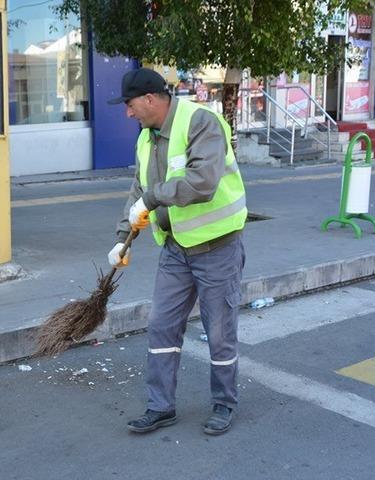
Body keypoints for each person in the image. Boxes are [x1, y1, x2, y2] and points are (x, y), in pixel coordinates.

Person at [106, 68, 247, 436]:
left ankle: (224, 403)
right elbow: (138, 190)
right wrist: (122, 238)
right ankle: (160, 406)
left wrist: (151, 199)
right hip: (175, 249)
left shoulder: (202, 122)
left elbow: (202, 183)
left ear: (150, 99)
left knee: (219, 332)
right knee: (162, 327)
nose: (128, 112)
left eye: (130, 104)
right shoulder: (145, 139)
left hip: (217, 247)